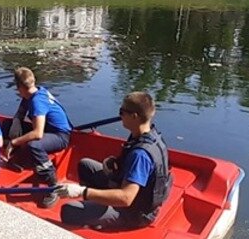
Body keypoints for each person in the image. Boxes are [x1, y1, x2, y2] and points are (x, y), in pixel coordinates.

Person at [49, 92, 173, 229]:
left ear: (134, 116)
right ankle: (96, 208)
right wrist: (118, 163)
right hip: (130, 192)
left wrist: (82, 192)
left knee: (68, 210)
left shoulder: (140, 155)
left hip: (133, 213)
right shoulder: (148, 135)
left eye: (122, 112)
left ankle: (96, 219)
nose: (120, 116)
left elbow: (126, 198)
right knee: (85, 165)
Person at [2, 67, 72, 201]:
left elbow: (38, 133)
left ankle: (53, 186)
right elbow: (20, 114)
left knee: (35, 145)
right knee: (7, 124)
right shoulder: (32, 93)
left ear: (18, 87)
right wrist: (16, 123)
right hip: (48, 130)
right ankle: (19, 159)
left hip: (60, 136)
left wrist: (13, 142)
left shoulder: (37, 101)